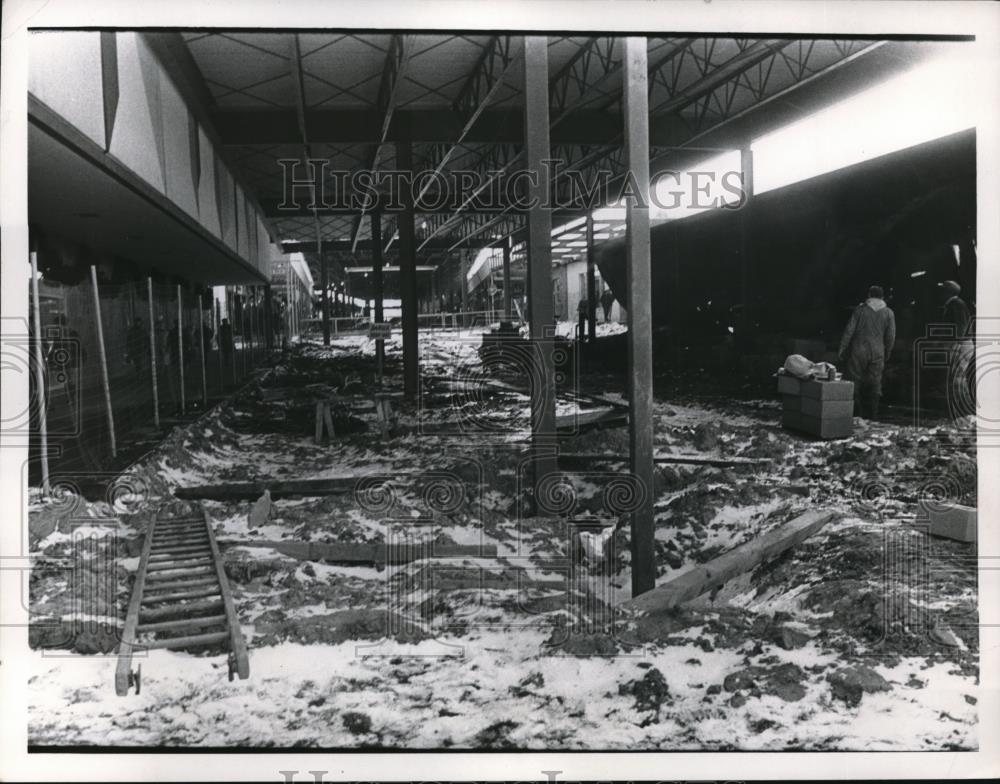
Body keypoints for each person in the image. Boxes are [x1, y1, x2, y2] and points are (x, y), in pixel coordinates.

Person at [838, 285, 896, 420]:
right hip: (878, 351)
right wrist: (888, 351)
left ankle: (855, 414)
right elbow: (891, 336)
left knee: (854, 381)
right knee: (875, 383)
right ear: (882, 297)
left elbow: (849, 331)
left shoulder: (860, 311)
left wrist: (842, 348)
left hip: (859, 350)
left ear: (869, 295)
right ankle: (873, 415)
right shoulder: (889, 313)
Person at [939, 279, 975, 417]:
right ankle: (961, 410)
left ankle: (963, 411)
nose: (940, 293)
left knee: (958, 379)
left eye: (942, 290)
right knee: (957, 378)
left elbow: (960, 326)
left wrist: (955, 345)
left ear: (947, 292)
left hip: (960, 345)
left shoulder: (956, 304)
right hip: (962, 344)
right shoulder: (955, 304)